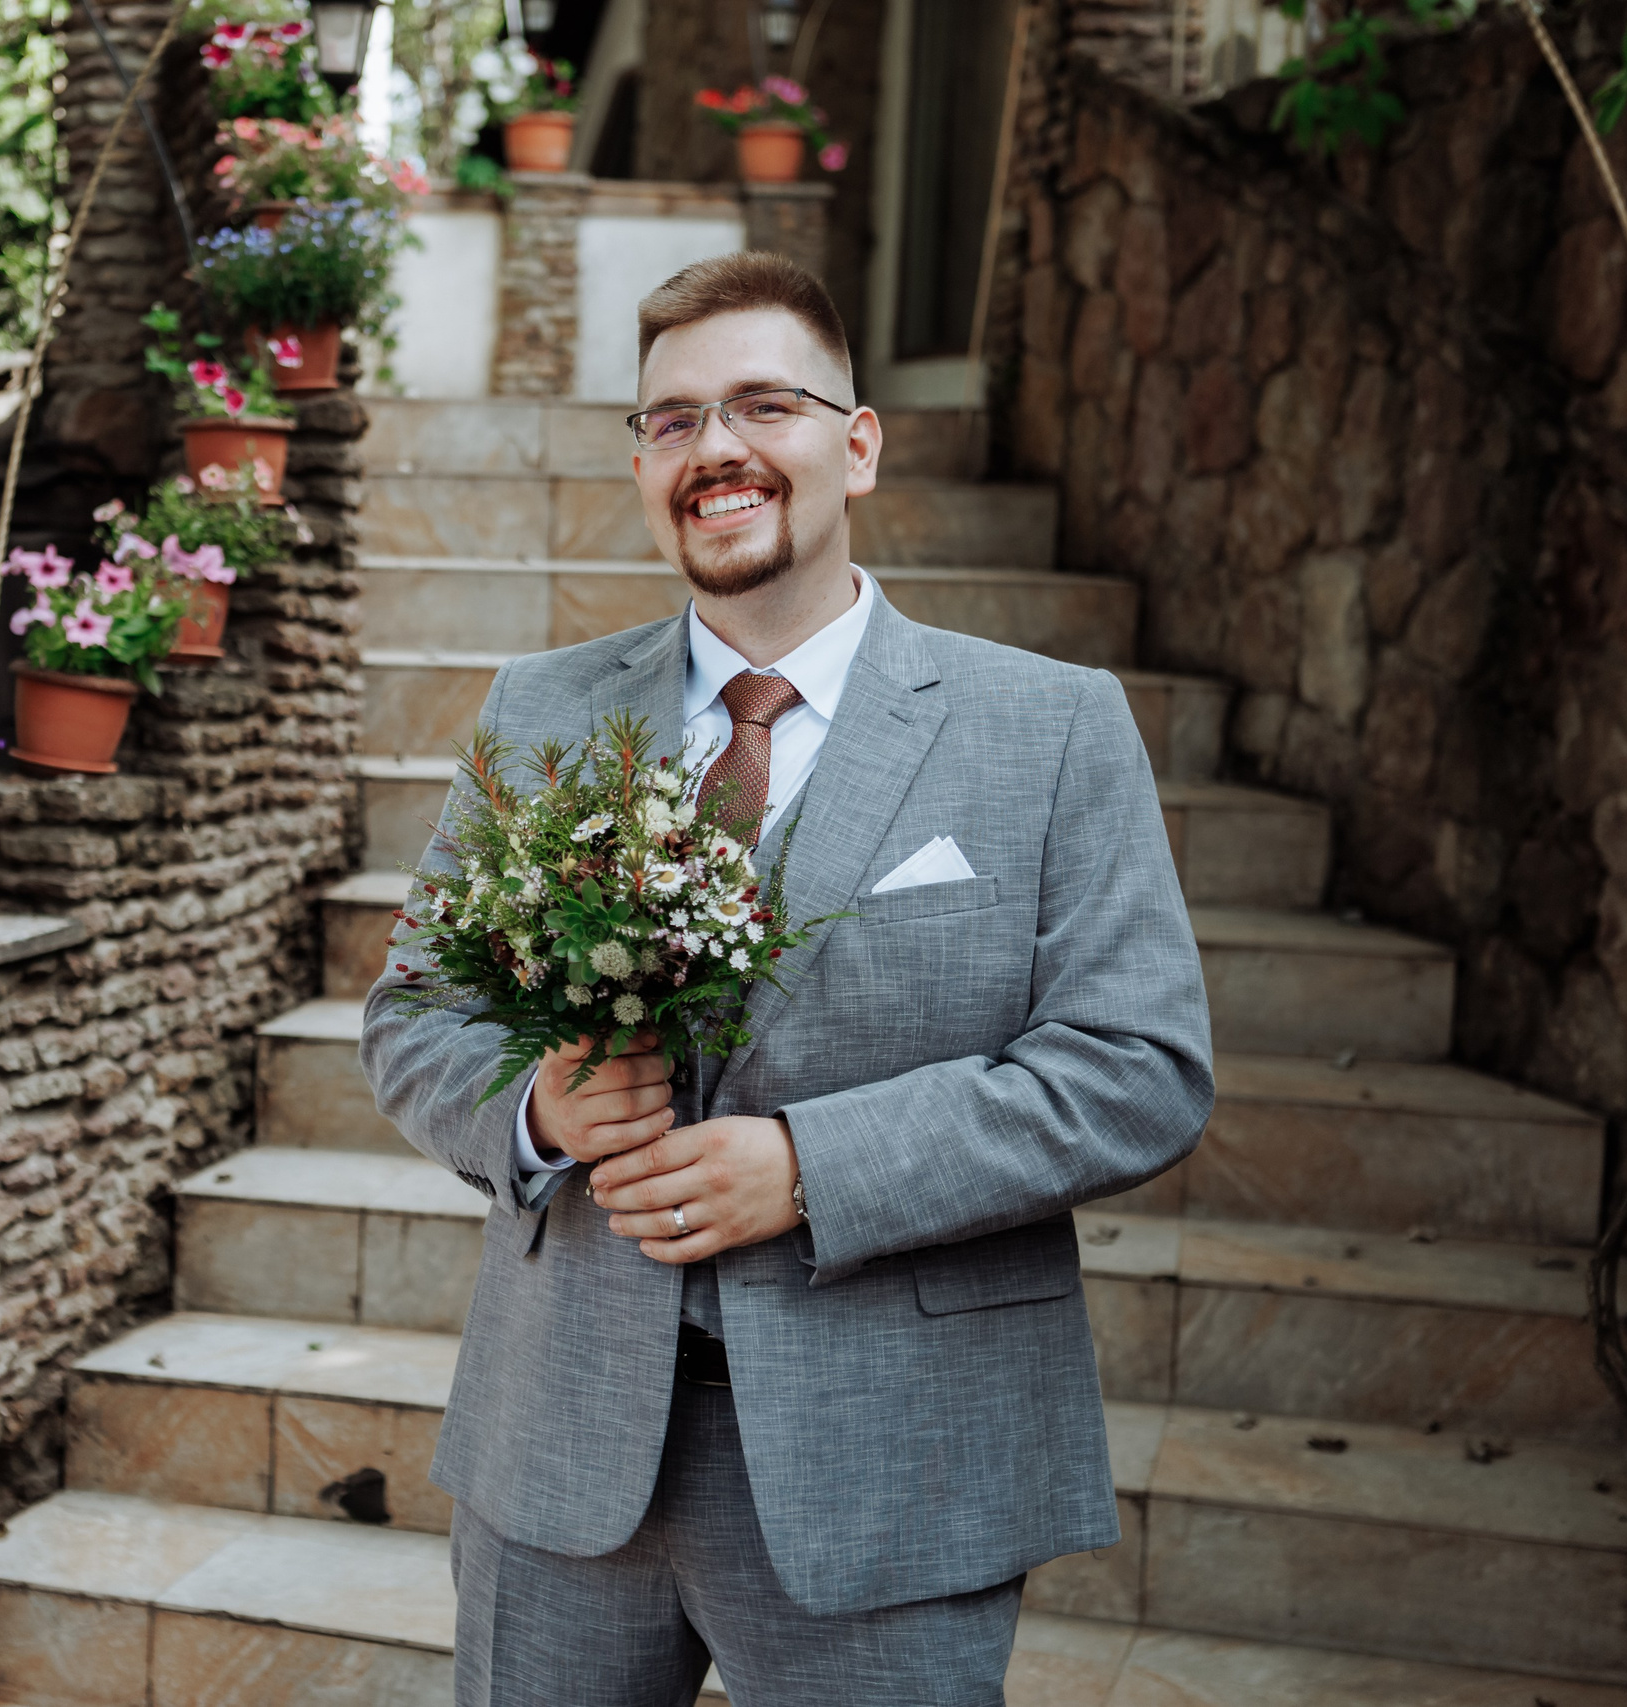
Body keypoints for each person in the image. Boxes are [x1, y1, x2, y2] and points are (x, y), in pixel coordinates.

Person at [356, 252, 1213, 1706]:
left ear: (858, 443)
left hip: (893, 1466)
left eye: (766, 404)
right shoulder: (543, 711)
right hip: (561, 1450)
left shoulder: (1052, 728)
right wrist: (540, 1114)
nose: (718, 450)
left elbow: (1139, 1070)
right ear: (643, 461)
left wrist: (815, 1165)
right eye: (673, 420)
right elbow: (415, 1014)